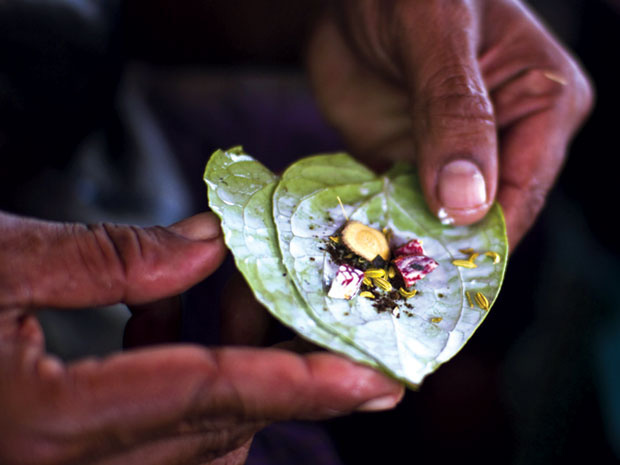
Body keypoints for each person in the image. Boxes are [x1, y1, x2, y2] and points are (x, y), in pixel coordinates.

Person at [0, 0, 592, 464]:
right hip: (64, 278)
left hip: (104, 136)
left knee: (511, 194)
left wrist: (334, 12)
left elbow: (76, 22)